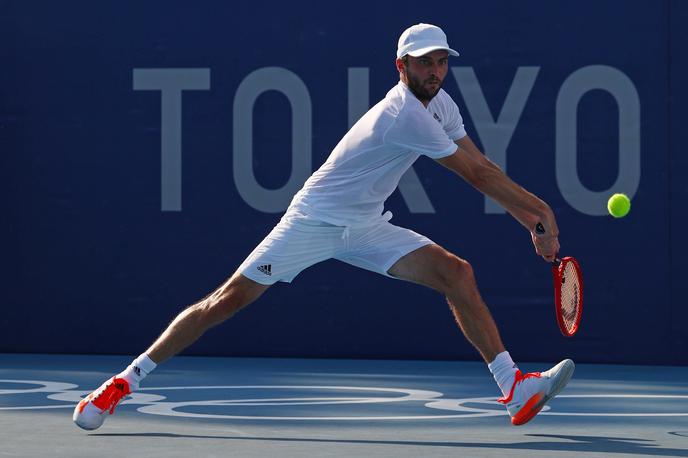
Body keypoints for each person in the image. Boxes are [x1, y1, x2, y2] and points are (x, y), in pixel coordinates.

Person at [73, 23, 574, 430]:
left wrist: (529, 223)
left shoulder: (441, 105)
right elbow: (478, 175)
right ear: (401, 67)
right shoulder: (402, 113)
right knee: (225, 301)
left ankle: (513, 387)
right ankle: (125, 380)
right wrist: (542, 214)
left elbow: (481, 164)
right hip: (314, 219)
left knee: (456, 274)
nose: (435, 71)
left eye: (441, 61)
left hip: (367, 225)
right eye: (424, 62)